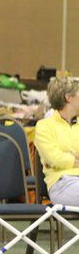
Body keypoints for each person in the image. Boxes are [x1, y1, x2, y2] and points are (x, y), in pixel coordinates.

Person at [34, 77, 79, 206]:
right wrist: (72, 159)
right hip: (61, 184)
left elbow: (59, 160)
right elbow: (54, 158)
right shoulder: (44, 126)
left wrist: (66, 157)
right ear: (68, 98)